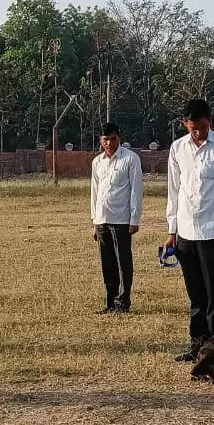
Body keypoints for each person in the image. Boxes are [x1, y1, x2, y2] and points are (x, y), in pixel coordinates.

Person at [165, 99, 214, 361]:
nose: (197, 132)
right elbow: (173, 192)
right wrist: (171, 230)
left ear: (210, 121)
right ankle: (196, 345)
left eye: (202, 127)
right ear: (185, 124)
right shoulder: (177, 149)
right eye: (192, 128)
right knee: (195, 293)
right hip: (186, 231)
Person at [90, 122, 143, 314]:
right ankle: (110, 301)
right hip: (102, 218)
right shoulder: (97, 162)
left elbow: (136, 190)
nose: (109, 143)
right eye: (105, 139)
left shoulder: (130, 159)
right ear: (100, 140)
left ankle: (123, 302)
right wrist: (94, 220)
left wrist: (134, 219)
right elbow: (94, 192)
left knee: (123, 262)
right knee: (108, 263)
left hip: (122, 219)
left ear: (118, 137)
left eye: (112, 139)